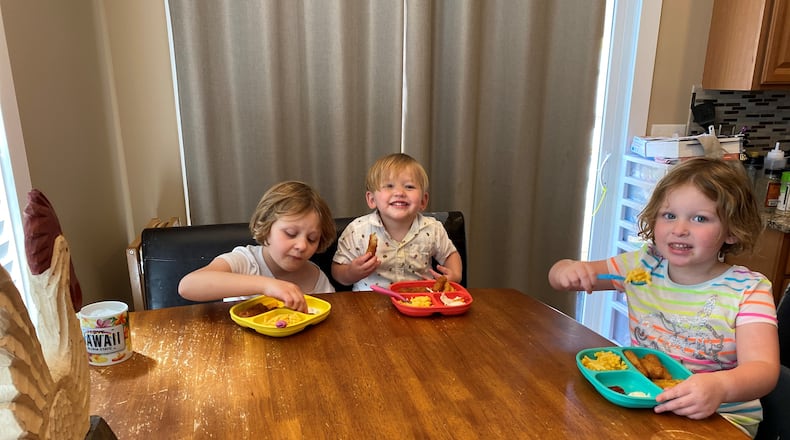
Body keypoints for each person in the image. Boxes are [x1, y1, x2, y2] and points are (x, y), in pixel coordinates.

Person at [548, 157, 779, 437]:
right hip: (645, 400)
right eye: (669, 215)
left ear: (732, 230)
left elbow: (764, 369)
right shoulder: (642, 267)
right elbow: (568, 277)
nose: (679, 229)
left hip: (719, 418)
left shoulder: (748, 290)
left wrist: (721, 387)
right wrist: (568, 269)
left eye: (699, 218)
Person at [178, 181, 337, 312]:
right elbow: (188, 286)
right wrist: (267, 285)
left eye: (312, 239)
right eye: (290, 233)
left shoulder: (316, 277)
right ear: (266, 228)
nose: (302, 245)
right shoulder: (244, 261)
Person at [332, 153, 462, 291]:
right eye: (389, 186)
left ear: (423, 201)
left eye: (409, 187)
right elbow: (337, 269)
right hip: (369, 304)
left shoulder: (433, 229)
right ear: (372, 200)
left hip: (420, 301)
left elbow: (450, 255)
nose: (399, 192)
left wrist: (455, 275)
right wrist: (351, 273)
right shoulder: (357, 231)